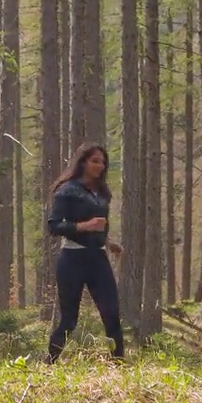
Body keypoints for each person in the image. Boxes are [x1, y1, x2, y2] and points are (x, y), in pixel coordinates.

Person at [44, 142, 125, 363]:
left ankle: (118, 363)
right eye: (94, 161)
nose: (100, 165)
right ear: (83, 162)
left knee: (111, 314)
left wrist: (108, 243)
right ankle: (49, 363)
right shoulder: (67, 191)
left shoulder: (102, 193)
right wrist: (84, 226)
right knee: (69, 319)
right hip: (72, 258)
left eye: (102, 161)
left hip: (97, 257)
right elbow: (54, 226)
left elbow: (100, 226)